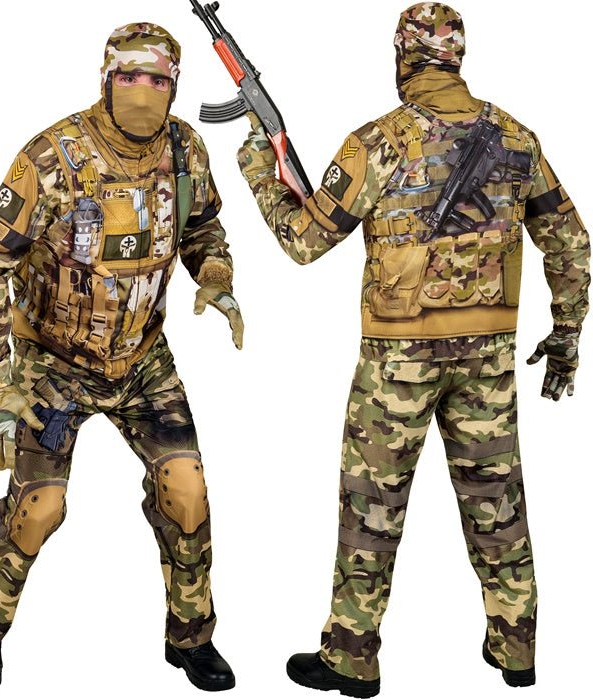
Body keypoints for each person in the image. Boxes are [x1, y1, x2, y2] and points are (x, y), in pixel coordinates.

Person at [237, 3, 590, 697]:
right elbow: (572, 244)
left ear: (402, 57)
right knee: (498, 503)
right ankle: (517, 649)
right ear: (458, 56)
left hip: (396, 364)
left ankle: (351, 659)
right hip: (488, 357)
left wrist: (257, 167)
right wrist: (567, 334)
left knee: (372, 507)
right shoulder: (517, 137)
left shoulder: (376, 142)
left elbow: (304, 243)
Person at [0, 22, 241, 693]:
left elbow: (203, 227)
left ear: (176, 85)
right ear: (106, 78)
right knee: (38, 508)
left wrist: (216, 273)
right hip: (52, 364)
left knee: (187, 494)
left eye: (159, 79)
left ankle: (190, 637)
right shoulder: (52, 157)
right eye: (130, 77)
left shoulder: (185, 150)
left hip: (142, 361)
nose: (144, 91)